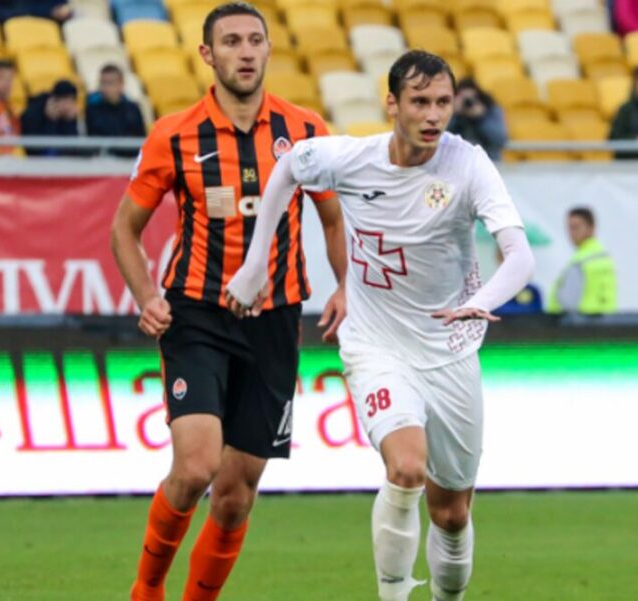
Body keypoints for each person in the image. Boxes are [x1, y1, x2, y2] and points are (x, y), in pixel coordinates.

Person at [227, 50, 536, 601]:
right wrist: (254, 267)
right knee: (407, 468)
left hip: (450, 350)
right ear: (391, 103)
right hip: (375, 343)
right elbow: (289, 168)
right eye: (420, 102)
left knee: (452, 512)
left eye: (442, 102)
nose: (433, 115)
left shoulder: (468, 164)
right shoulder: (351, 159)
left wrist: (480, 301)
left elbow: (519, 257)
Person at [111, 3, 347, 601]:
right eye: (231, 41)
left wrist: (346, 287)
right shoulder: (174, 134)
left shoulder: (307, 132)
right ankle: (146, 590)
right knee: (194, 468)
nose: (245, 51)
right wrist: (146, 296)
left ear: (269, 51)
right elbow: (124, 229)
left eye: (255, 40)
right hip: (197, 314)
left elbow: (333, 220)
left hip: (276, 322)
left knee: (237, 492)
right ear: (207, 55)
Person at [546, 207, 617, 315]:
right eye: (569, 227)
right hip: (604, 325)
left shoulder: (581, 261)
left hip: (579, 325)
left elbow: (568, 301)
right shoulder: (604, 258)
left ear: (591, 229)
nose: (571, 233)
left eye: (576, 227)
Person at [86, 64, 146, 158]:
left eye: (110, 83)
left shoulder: (133, 109)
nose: (105, 87)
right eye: (102, 83)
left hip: (130, 162)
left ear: (121, 84)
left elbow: (141, 139)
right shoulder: (92, 110)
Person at [446, 78, 507, 162]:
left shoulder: (491, 110)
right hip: (457, 162)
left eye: (471, 99)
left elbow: (499, 140)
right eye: (464, 99)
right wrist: (454, 114)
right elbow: (442, 136)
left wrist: (481, 119)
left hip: (488, 160)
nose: (468, 103)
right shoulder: (451, 112)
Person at [20, 79, 82, 157]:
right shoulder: (33, 113)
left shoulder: (69, 115)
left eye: (71, 102)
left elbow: (73, 149)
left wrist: (69, 123)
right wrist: (51, 121)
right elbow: (35, 149)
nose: (67, 107)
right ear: (54, 100)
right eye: (65, 101)